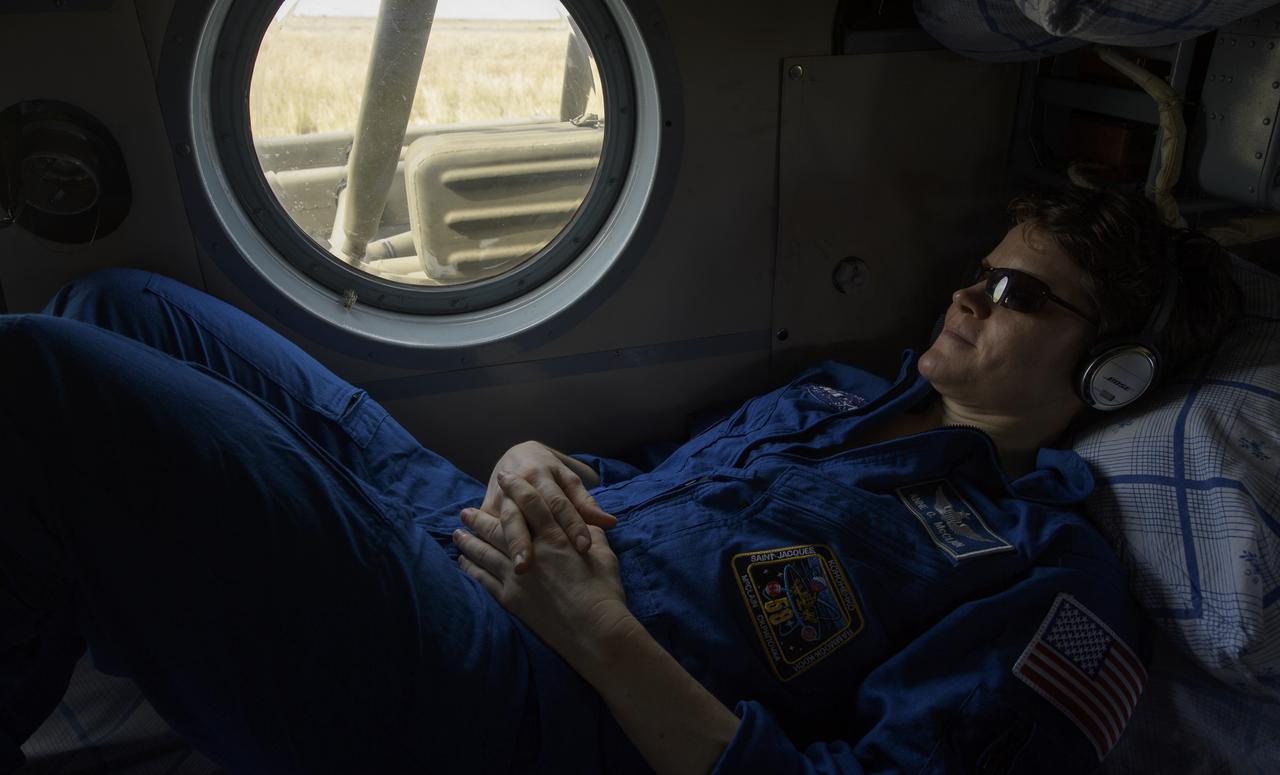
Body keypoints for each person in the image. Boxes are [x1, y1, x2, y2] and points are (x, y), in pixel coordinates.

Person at [0, 187, 1238, 774]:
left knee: (42, 378)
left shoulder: (1045, 579)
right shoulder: (838, 395)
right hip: (471, 526)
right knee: (121, 305)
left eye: (1019, 293)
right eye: (981, 268)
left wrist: (598, 636)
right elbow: (647, 478)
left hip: (499, 690)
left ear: (1114, 377)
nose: (968, 292)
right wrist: (535, 456)